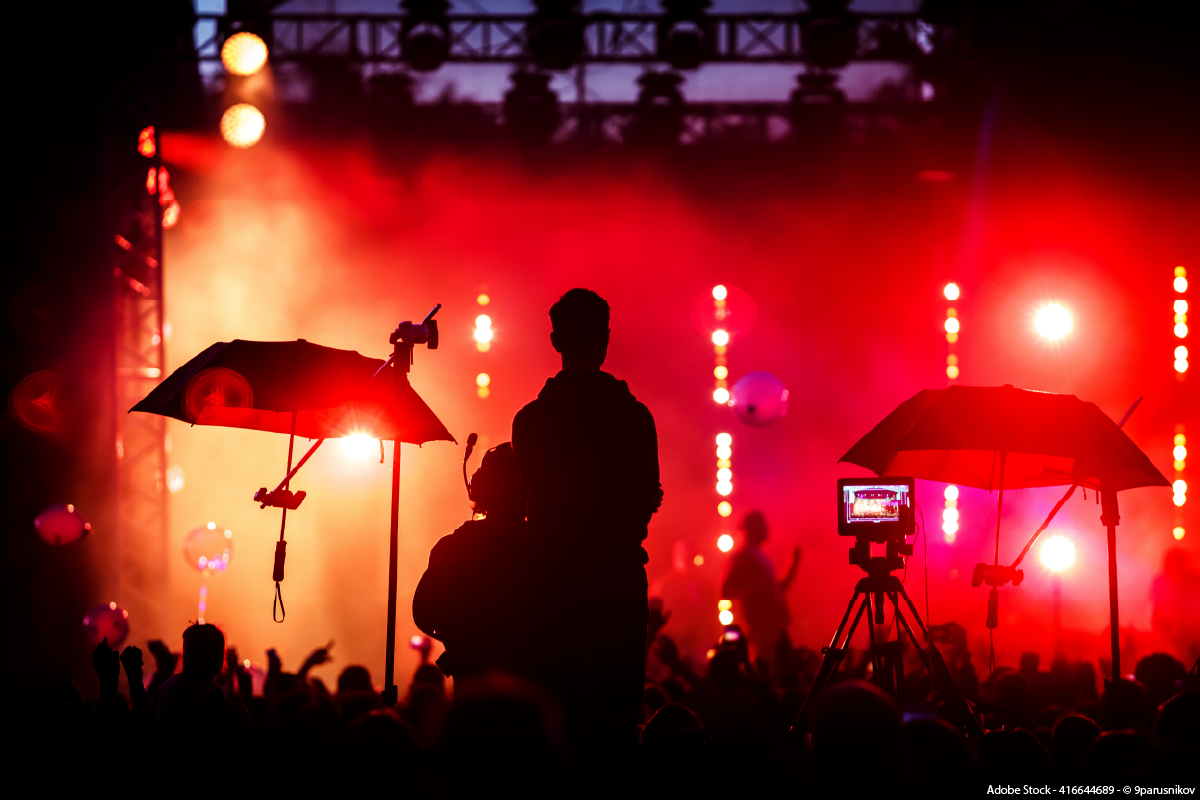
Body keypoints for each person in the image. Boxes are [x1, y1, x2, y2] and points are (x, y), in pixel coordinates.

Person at [511, 288, 662, 781]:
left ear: (555, 340)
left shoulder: (530, 421)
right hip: (617, 576)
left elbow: (530, 493)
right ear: (606, 340)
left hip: (548, 579)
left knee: (554, 710)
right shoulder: (634, 417)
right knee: (618, 713)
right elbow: (647, 498)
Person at [413, 442, 535, 681]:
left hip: (469, 680)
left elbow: (429, 613)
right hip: (529, 683)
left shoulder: (448, 548)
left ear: (477, 488)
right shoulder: (541, 550)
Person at [721, 510, 800, 658]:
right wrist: (754, 589)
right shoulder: (743, 558)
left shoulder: (758, 557)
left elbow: (776, 592)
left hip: (774, 627)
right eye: (762, 525)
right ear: (752, 529)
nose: (767, 528)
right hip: (762, 629)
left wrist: (793, 565)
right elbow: (725, 591)